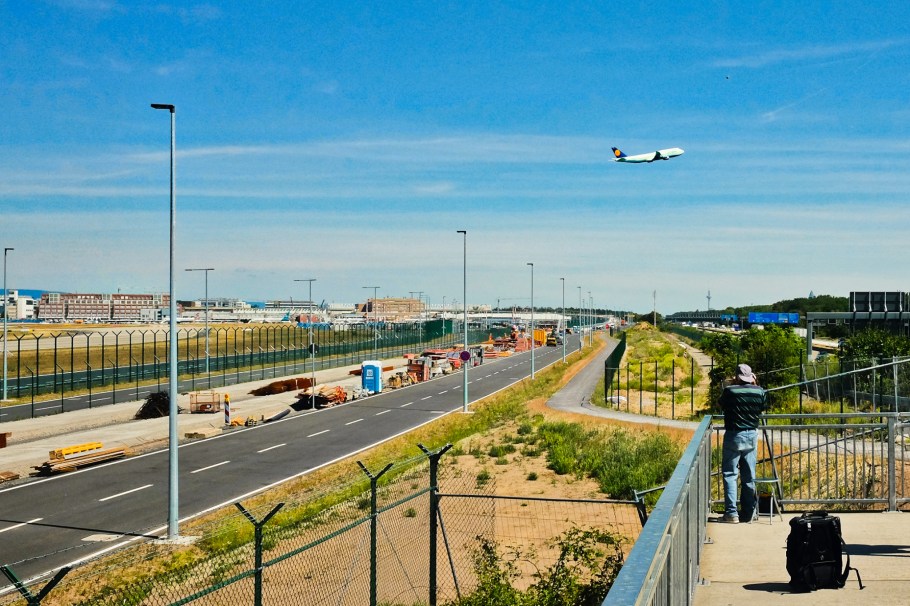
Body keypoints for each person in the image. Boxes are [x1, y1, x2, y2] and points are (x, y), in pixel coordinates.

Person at [720, 363, 767, 523]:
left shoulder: (730, 391)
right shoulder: (760, 391)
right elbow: (762, 407)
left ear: (736, 377)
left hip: (734, 434)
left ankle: (732, 513)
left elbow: (721, 405)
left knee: (730, 474)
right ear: (751, 376)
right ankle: (748, 513)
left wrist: (733, 384)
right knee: (749, 476)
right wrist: (754, 383)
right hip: (751, 435)